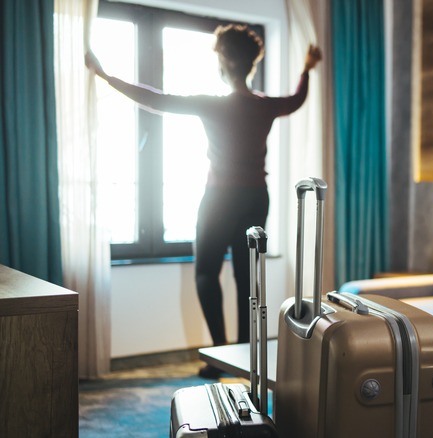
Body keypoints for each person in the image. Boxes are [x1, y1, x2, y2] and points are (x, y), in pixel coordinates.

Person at [86, 24, 322, 378]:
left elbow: (156, 99)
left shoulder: (212, 104)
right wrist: (306, 69)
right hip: (257, 198)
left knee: (205, 275)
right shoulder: (265, 106)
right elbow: (296, 100)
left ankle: (220, 355)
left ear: (225, 61)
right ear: (250, 64)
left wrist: (105, 76)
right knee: (248, 280)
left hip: (220, 199)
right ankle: (244, 358)